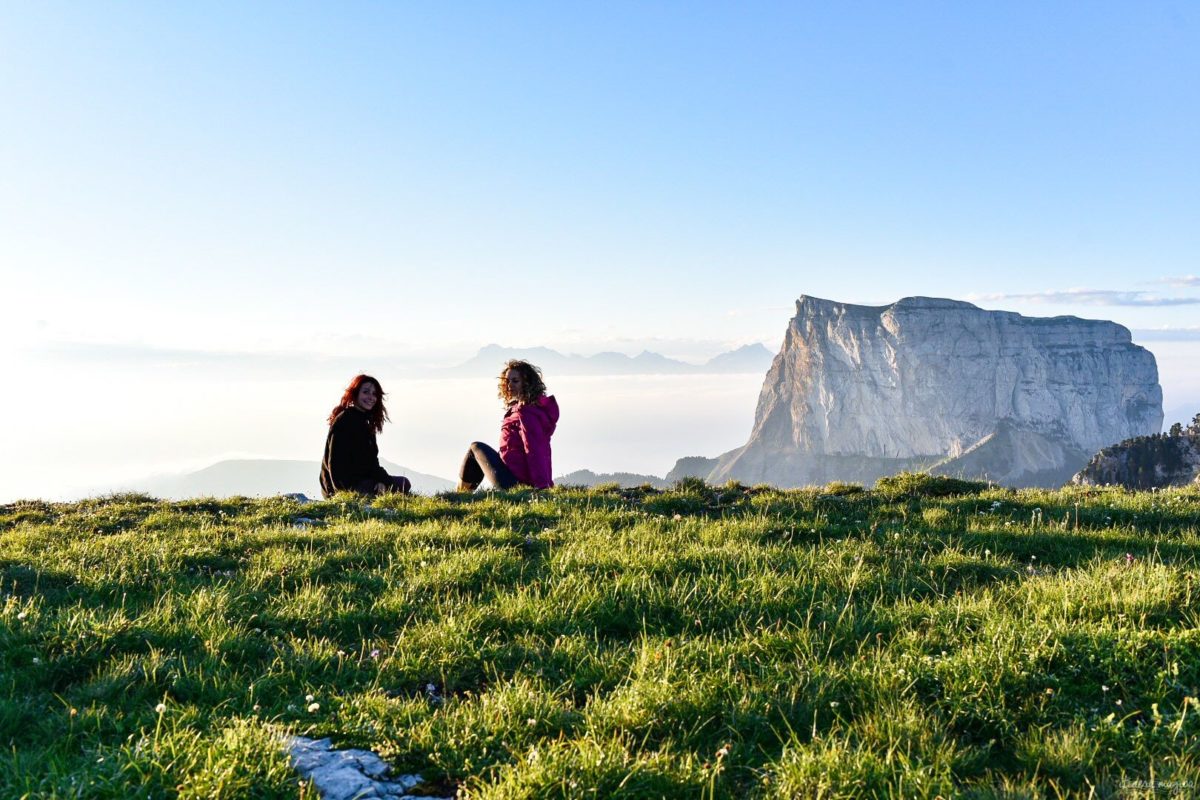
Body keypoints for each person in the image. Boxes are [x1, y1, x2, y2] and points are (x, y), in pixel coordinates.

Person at [458, 360, 559, 491]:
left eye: (515, 381)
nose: (510, 385)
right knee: (476, 452)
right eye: (507, 381)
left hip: (515, 482)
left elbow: (534, 449)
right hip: (514, 475)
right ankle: (460, 496)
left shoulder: (526, 412)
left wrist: (541, 486)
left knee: (476, 447)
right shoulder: (526, 408)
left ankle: (459, 496)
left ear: (527, 383)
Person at [320, 374, 411, 498]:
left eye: (374, 394)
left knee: (404, 483)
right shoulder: (345, 420)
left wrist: (381, 480)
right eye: (366, 392)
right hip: (344, 487)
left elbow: (371, 461)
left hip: (361, 479)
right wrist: (341, 494)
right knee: (402, 484)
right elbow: (335, 462)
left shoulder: (364, 421)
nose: (371, 397)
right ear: (355, 394)